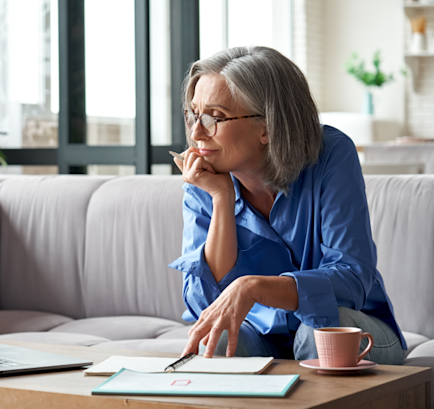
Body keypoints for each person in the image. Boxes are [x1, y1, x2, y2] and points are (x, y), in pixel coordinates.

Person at [168, 46, 406, 364]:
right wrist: (221, 199)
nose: (197, 133)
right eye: (193, 115)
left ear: (267, 126)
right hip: (261, 334)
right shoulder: (205, 178)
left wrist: (255, 288)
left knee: (318, 332)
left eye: (215, 117)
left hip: (351, 327)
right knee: (220, 338)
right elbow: (205, 305)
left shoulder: (332, 155)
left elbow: (351, 278)